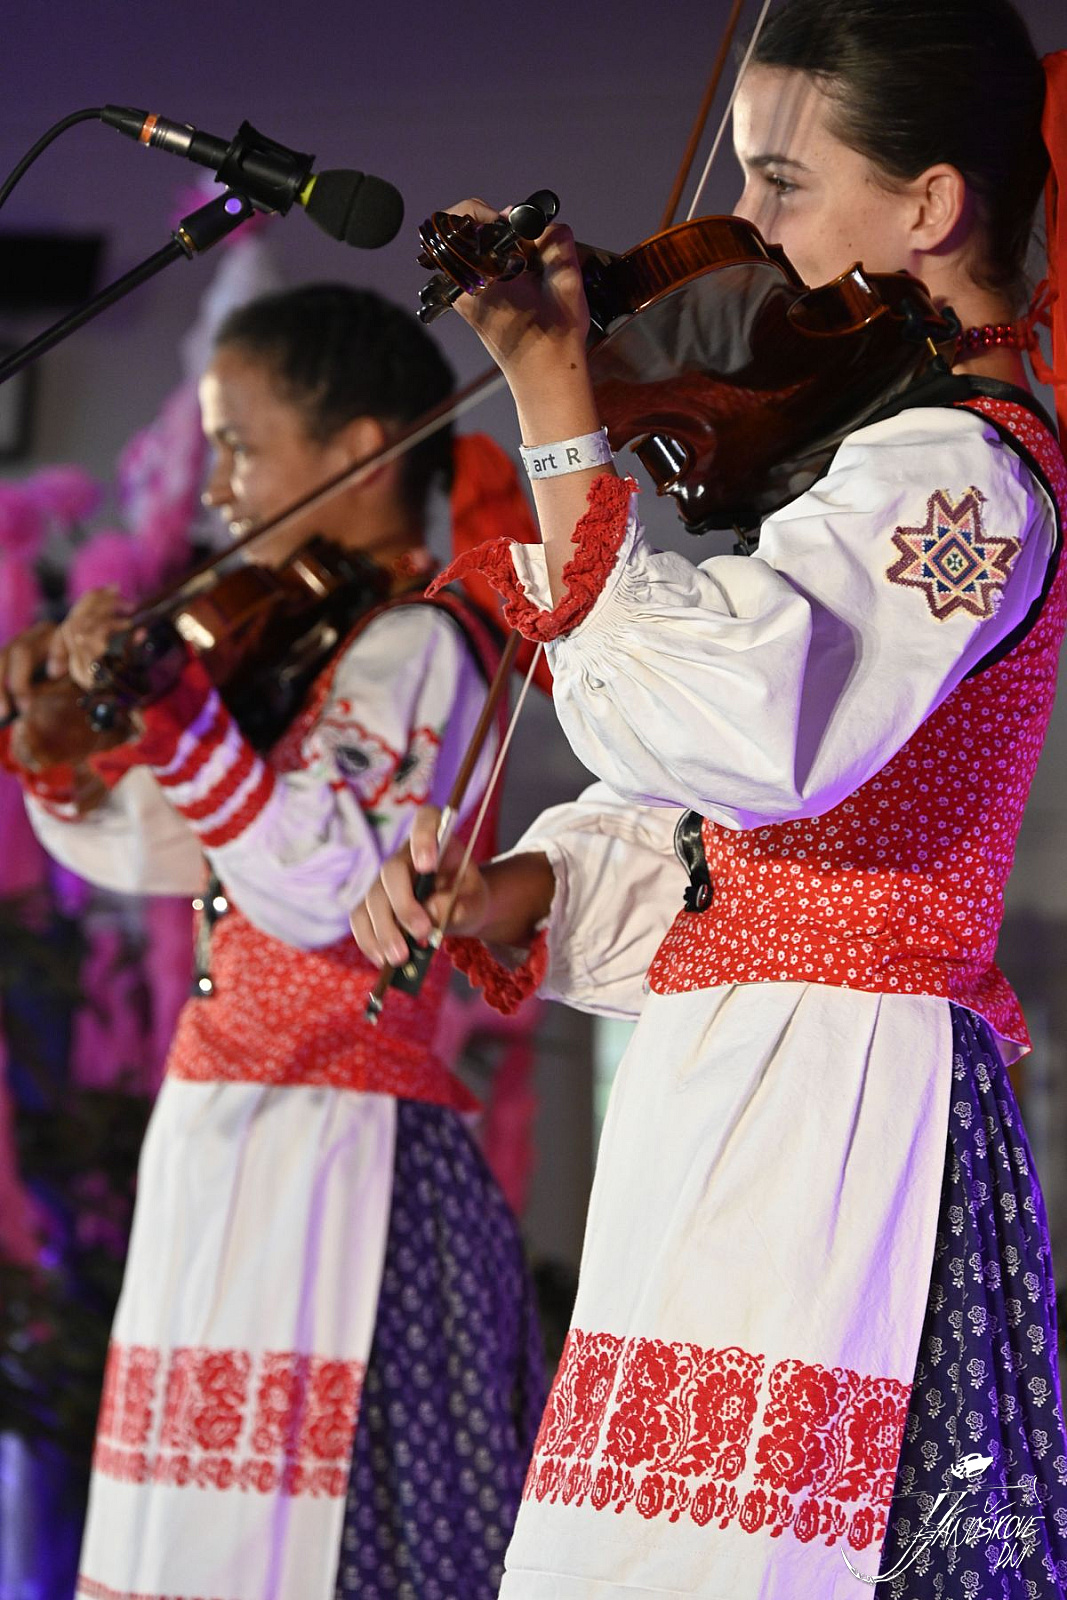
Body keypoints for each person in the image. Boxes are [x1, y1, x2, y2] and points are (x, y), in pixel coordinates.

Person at [352, 3, 1067, 1594]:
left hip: (839, 1105)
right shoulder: (891, 453)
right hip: (748, 1077)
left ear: (932, 206)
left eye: (783, 182)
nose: (744, 229)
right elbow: (731, 819)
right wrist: (527, 888)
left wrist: (559, 403)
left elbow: (751, 727)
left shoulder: (968, 475)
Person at [0, 284, 546, 1600]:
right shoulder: (298, 644)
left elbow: (329, 881)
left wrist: (178, 714)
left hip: (342, 1145)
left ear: (362, 450)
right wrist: (57, 744)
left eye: (241, 447)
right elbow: (164, 842)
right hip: (231, 1123)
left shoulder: (421, 644)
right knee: (193, 1529)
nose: (219, 490)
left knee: (333, 1542)